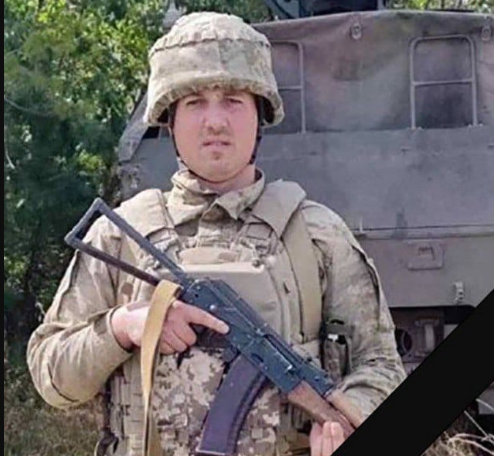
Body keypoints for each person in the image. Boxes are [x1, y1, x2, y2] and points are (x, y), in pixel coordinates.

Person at [27, 12, 406, 456]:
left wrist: (351, 416)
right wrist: (125, 327)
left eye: (232, 100)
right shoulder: (120, 236)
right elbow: (52, 377)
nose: (215, 122)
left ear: (260, 114)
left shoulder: (317, 235)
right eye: (194, 102)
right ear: (169, 119)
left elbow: (382, 367)